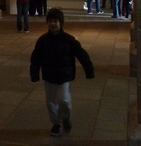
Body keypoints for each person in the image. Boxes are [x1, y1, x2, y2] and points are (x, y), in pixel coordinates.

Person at [30, 8, 95, 136]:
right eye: (50, 21)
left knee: (64, 100)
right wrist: (34, 73)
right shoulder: (43, 40)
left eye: (55, 21)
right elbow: (36, 58)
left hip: (64, 76)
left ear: (61, 23)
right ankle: (56, 123)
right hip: (49, 76)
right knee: (51, 102)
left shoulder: (68, 40)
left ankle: (66, 118)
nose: (53, 24)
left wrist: (89, 70)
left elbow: (81, 54)